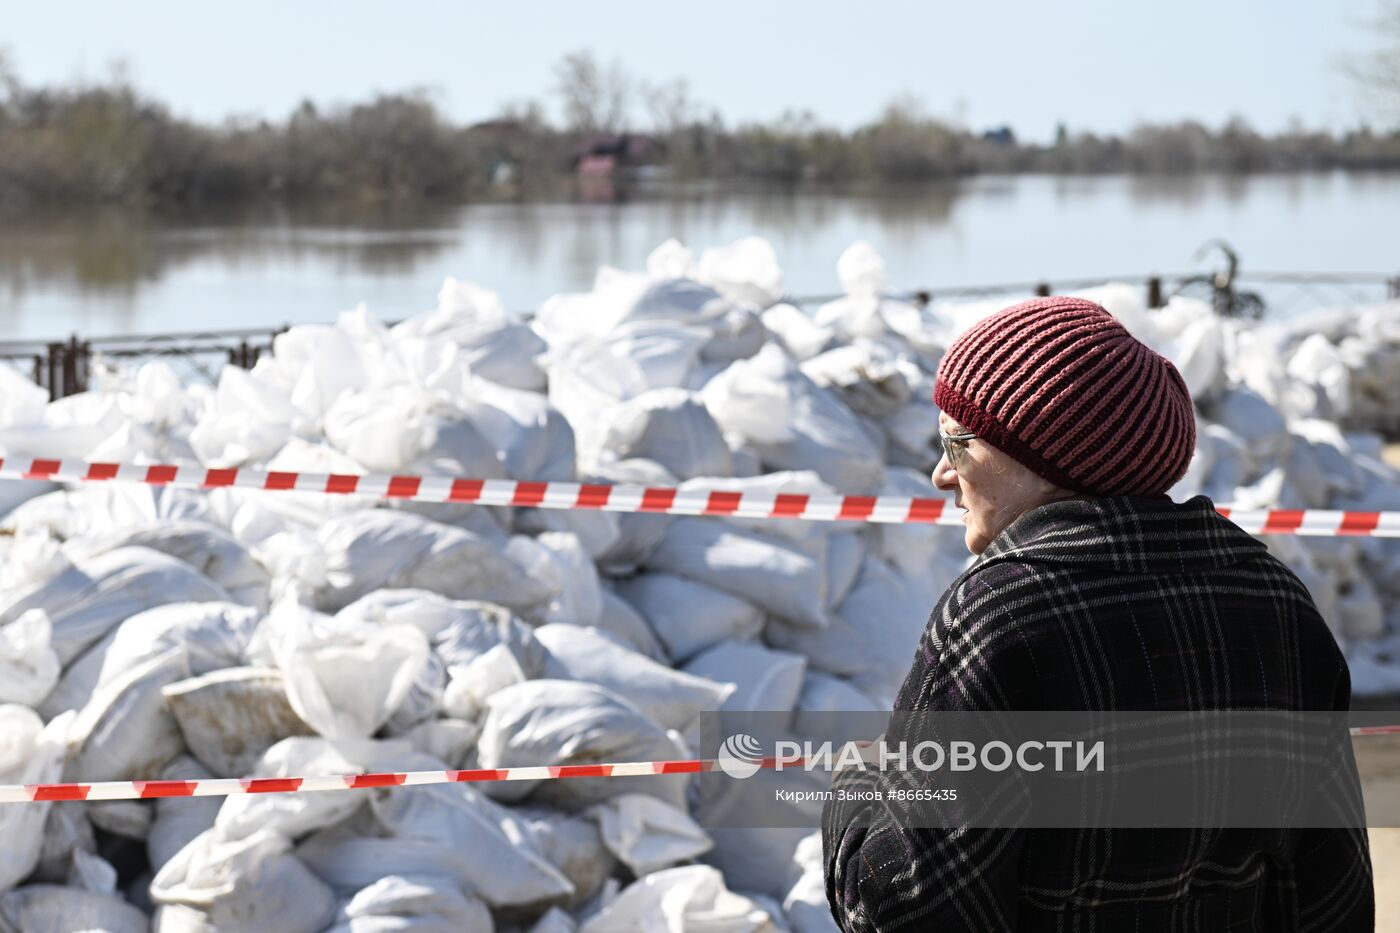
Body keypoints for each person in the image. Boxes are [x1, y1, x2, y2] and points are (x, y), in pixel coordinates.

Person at [820, 296, 1374, 931]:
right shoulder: (1275, 600)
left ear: (1041, 453)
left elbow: (905, 907)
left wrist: (859, 787)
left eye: (957, 439)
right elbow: (1331, 890)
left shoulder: (1000, 614)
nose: (942, 471)